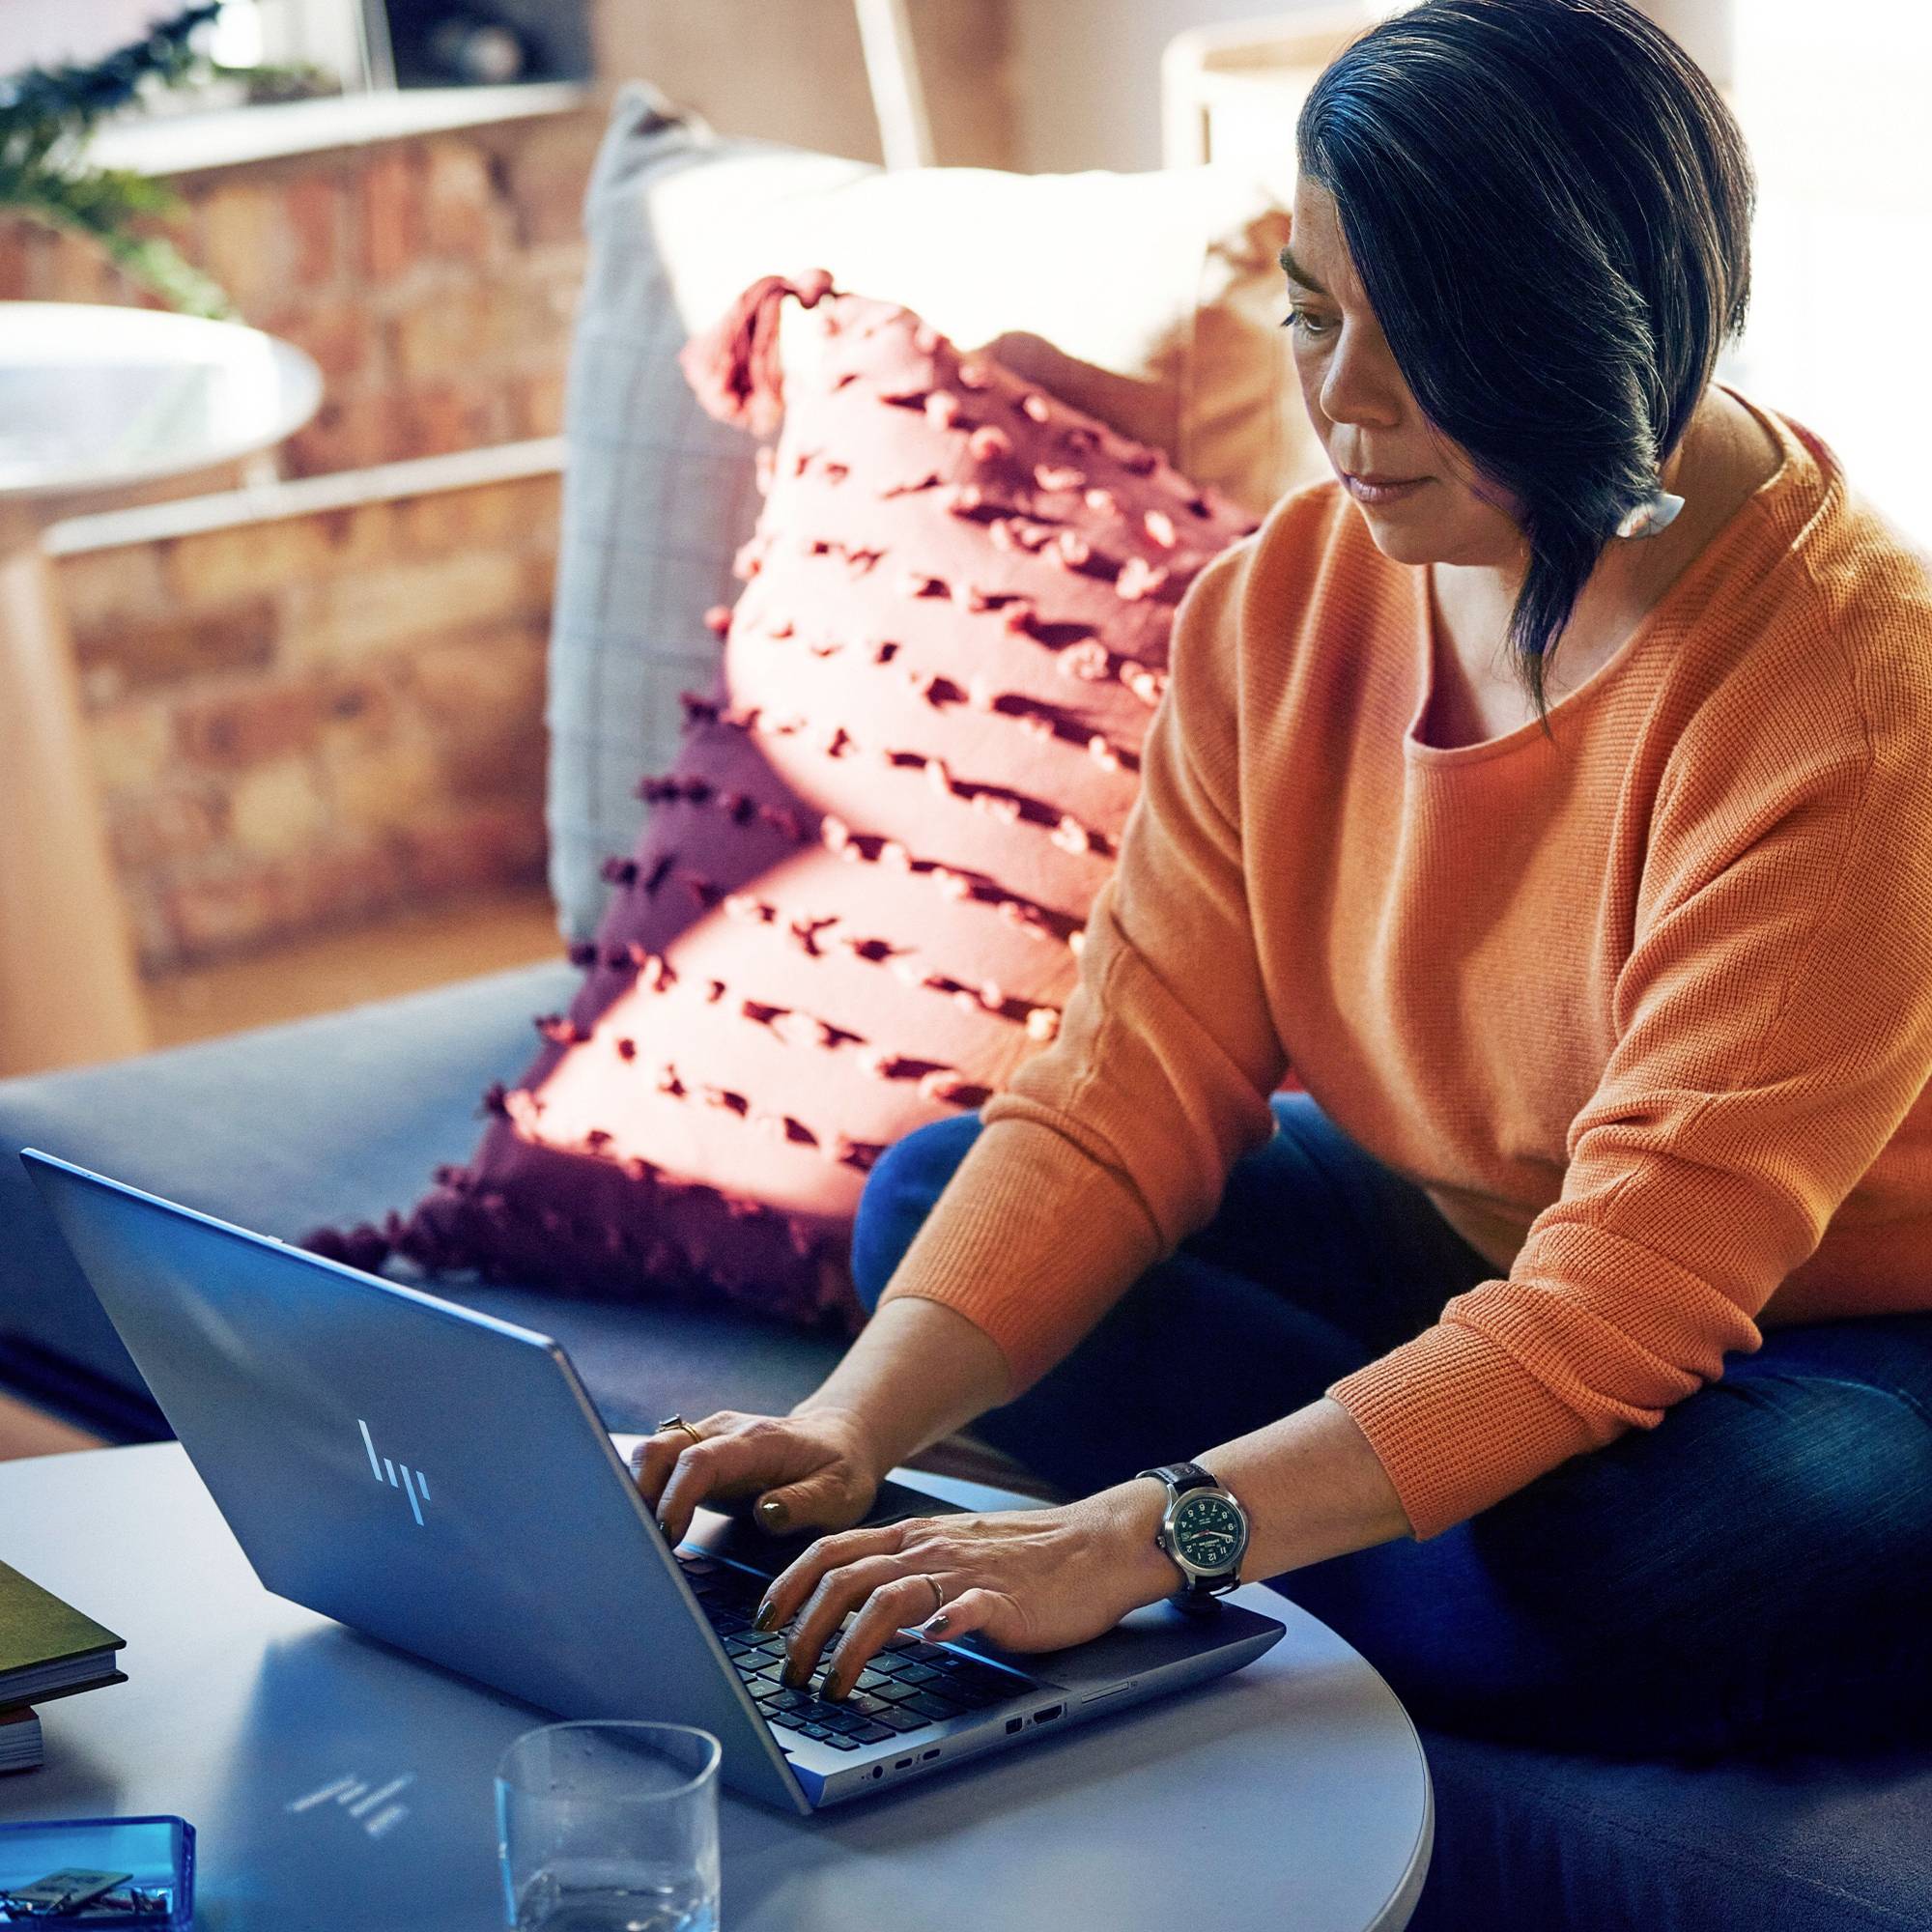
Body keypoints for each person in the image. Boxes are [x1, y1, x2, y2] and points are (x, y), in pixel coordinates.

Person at [635, 0, 1932, 1760]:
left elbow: (1627, 1294)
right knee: (926, 1209)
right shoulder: (1291, 597)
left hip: (1821, 1335)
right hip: (1463, 1238)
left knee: (1783, 1525)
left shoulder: (1850, 705)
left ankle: (1293, 1530)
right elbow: (1123, 1084)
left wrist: (1122, 1536)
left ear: (1607, 327)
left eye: (1428, 341)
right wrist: (852, 1432)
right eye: (1318, 315)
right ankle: (1378, 1522)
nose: (1344, 404)